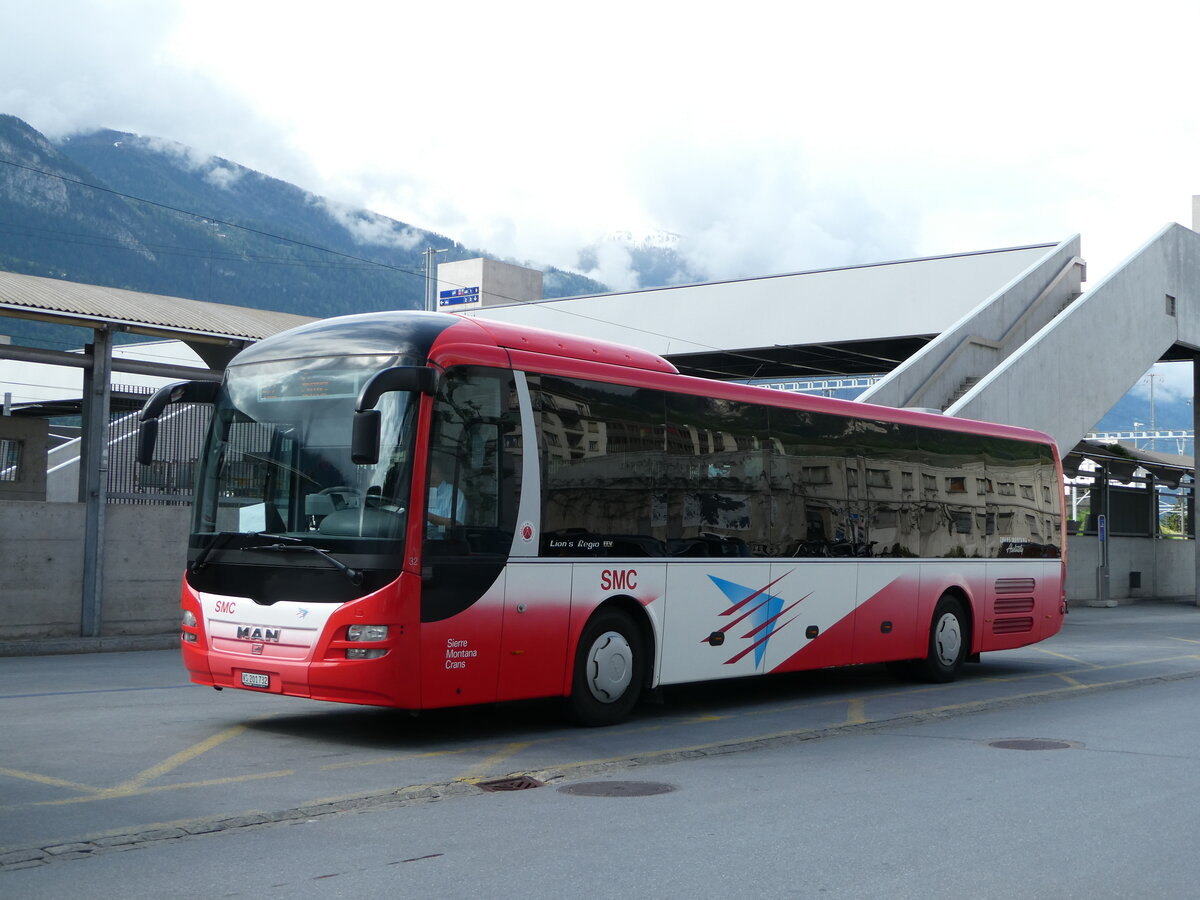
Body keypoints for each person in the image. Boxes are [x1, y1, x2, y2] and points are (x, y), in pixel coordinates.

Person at [426, 453, 467, 534]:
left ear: (442, 473)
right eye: (427, 472)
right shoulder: (421, 492)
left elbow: (455, 523)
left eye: (433, 471)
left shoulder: (455, 493)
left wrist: (427, 516)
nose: (430, 476)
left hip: (445, 541)